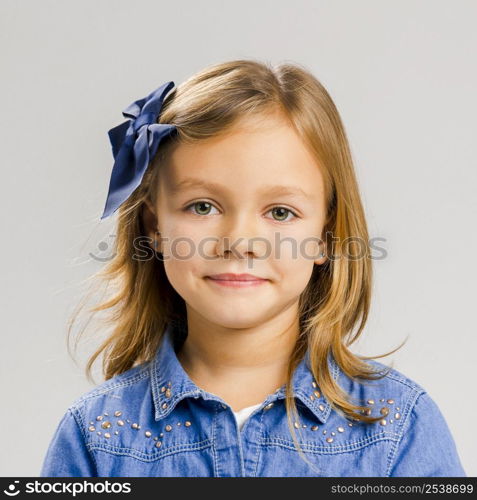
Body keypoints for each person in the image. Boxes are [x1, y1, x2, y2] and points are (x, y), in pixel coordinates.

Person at [40, 59, 466, 477]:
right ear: (155, 226)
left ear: (325, 235)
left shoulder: (397, 427)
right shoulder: (95, 436)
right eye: (202, 206)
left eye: (280, 212)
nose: (240, 242)